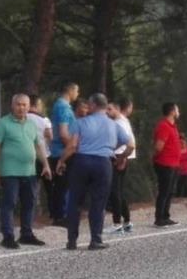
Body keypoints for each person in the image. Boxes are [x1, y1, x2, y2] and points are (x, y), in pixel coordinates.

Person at [56, 94, 134, 250]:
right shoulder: (114, 125)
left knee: (75, 201)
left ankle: (72, 240)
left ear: (93, 105)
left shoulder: (81, 122)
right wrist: (120, 157)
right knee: (98, 202)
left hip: (82, 161)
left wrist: (61, 161)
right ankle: (95, 240)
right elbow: (130, 145)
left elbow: (72, 146)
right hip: (103, 163)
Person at [0, 94, 52, 249]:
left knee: (29, 203)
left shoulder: (31, 124)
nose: (21, 107)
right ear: (12, 106)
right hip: (10, 171)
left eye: (24, 105)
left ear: (29, 107)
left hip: (29, 171)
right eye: (18, 104)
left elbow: (38, 145)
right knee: (9, 203)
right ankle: (8, 236)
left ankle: (26, 234)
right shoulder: (3, 123)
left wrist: (46, 164)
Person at [48, 82, 79, 227]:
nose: (77, 94)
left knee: (62, 185)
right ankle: (62, 216)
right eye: (77, 91)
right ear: (71, 90)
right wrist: (71, 148)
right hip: (63, 152)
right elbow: (63, 133)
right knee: (64, 185)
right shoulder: (64, 107)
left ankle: (60, 214)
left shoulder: (59, 106)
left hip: (59, 150)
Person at [105, 99, 136, 234]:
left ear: (117, 109)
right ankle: (127, 221)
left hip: (118, 157)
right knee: (118, 191)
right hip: (121, 156)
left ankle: (117, 223)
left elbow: (126, 142)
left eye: (110, 109)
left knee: (115, 191)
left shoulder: (118, 123)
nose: (107, 112)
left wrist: (121, 158)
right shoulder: (122, 120)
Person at [153, 102, 181, 226]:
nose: (179, 112)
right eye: (177, 110)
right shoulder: (164, 126)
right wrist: (156, 158)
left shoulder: (173, 126)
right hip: (165, 163)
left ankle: (165, 216)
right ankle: (159, 218)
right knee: (164, 191)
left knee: (170, 191)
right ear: (172, 111)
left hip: (174, 164)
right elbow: (159, 146)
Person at [27, 95, 53, 215]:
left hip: (28, 155)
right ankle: (53, 211)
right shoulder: (43, 119)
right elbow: (50, 136)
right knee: (49, 185)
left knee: (31, 185)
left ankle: (33, 210)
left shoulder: (23, 118)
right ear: (37, 104)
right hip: (44, 155)